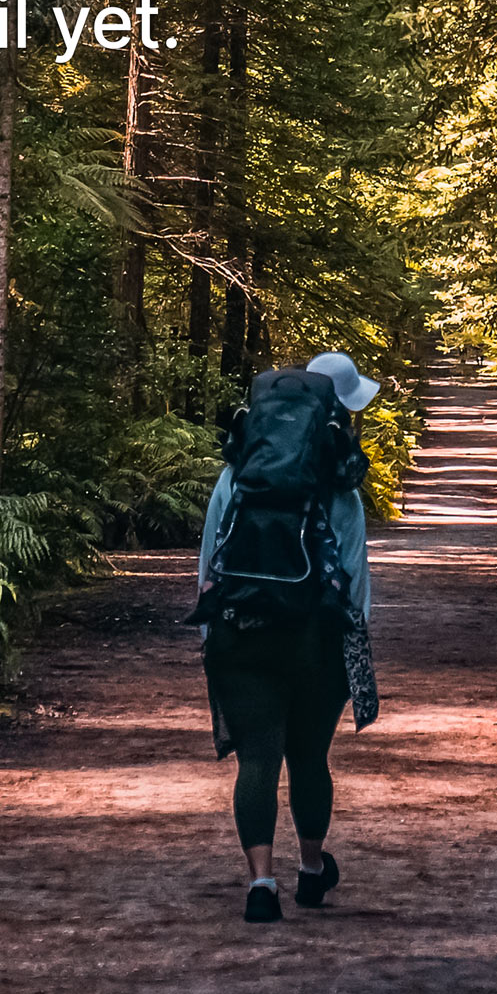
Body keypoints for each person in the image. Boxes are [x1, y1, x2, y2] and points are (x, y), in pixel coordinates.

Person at [196, 351, 381, 923]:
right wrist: (353, 652)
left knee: (256, 761)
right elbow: (354, 583)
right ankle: (309, 870)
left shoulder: (237, 475)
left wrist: (213, 638)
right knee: (308, 758)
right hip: (313, 642)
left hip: (240, 636)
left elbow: (209, 564)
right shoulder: (340, 489)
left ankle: (260, 885)